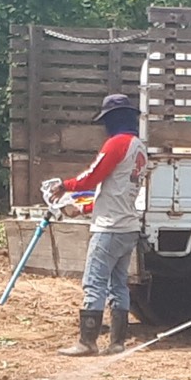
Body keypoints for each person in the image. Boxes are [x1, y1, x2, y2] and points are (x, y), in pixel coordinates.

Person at [51, 93, 148, 356]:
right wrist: (84, 207)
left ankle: (87, 342)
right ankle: (117, 342)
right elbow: (115, 190)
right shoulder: (139, 147)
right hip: (127, 225)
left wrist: (65, 186)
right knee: (118, 285)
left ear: (112, 120)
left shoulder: (116, 144)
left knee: (94, 282)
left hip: (109, 228)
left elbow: (93, 176)